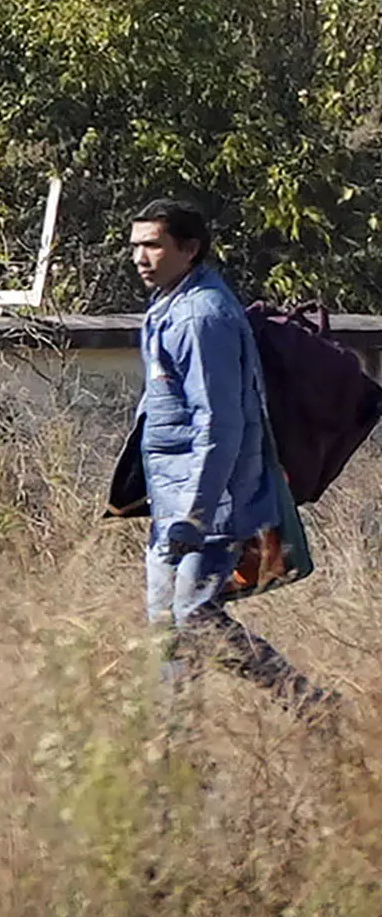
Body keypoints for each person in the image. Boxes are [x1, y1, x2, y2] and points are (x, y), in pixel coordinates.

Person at [125, 199, 328, 709]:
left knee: (191, 616)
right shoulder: (170, 303)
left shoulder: (200, 315)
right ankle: (177, 754)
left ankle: (306, 701)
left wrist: (195, 513)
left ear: (190, 249)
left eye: (153, 245)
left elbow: (220, 421)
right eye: (135, 246)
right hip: (178, 501)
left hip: (209, 504)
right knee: (167, 628)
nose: (140, 257)